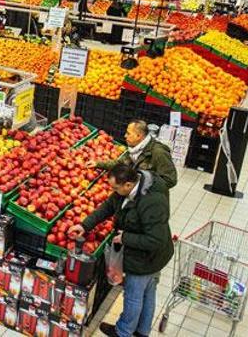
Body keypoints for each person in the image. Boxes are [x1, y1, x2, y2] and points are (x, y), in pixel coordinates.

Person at [68, 164, 174, 337]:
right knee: (148, 293)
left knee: (133, 295)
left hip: (147, 257)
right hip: (151, 255)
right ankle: (142, 331)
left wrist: (125, 238)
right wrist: (85, 225)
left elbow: (156, 240)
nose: (113, 191)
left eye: (115, 187)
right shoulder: (129, 191)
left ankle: (123, 332)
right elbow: (108, 206)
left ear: (128, 185)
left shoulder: (152, 202)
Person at [91, 120, 178, 189]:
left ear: (138, 136)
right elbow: (121, 163)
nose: (125, 136)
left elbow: (170, 180)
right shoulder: (135, 149)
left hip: (149, 197)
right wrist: (98, 164)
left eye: (128, 133)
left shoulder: (158, 153)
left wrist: (144, 186)